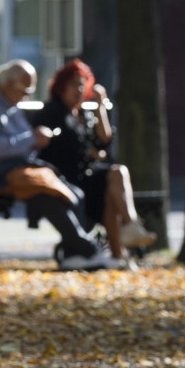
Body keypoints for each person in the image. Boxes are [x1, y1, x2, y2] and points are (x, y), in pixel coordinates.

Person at [0, 60, 118, 271]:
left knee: (73, 192)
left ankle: (74, 253)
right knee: (46, 192)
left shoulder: (10, 105)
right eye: (25, 89)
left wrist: (35, 140)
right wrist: (32, 139)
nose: (28, 95)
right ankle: (86, 250)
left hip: (15, 170)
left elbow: (22, 144)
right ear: (8, 83)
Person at [31, 59, 157, 261]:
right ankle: (130, 226)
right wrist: (87, 152)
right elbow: (59, 145)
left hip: (88, 177)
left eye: (82, 84)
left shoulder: (83, 114)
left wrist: (100, 107)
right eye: (74, 84)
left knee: (111, 190)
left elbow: (104, 141)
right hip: (68, 178)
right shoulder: (53, 112)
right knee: (117, 173)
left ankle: (118, 254)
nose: (79, 89)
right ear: (61, 86)